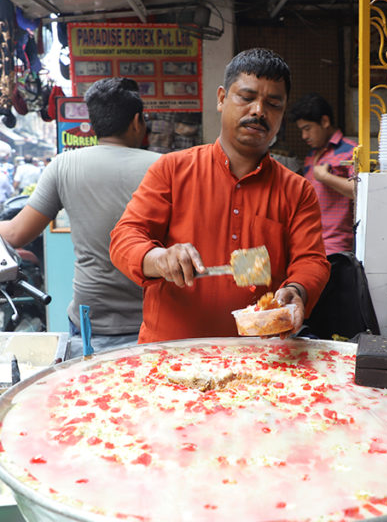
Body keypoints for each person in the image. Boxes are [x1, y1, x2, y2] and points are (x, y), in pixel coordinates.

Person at [109, 48, 330, 344]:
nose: (259, 111)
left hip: (262, 357)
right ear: (222, 98)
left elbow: (312, 261)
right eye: (247, 97)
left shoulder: (297, 190)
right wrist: (160, 258)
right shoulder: (172, 170)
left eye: (273, 103)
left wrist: (298, 290)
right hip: (172, 354)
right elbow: (126, 237)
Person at [0, 77, 159, 357]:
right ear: (137, 122)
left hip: (91, 321)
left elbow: (15, 234)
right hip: (154, 321)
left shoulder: (64, 166)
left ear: (94, 124)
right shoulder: (164, 167)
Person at [288, 92, 359, 254]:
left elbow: (360, 189)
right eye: (301, 130)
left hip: (335, 246)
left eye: (307, 129)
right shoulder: (311, 155)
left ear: (325, 121)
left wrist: (326, 177)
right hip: (307, 242)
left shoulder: (351, 150)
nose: (304, 136)